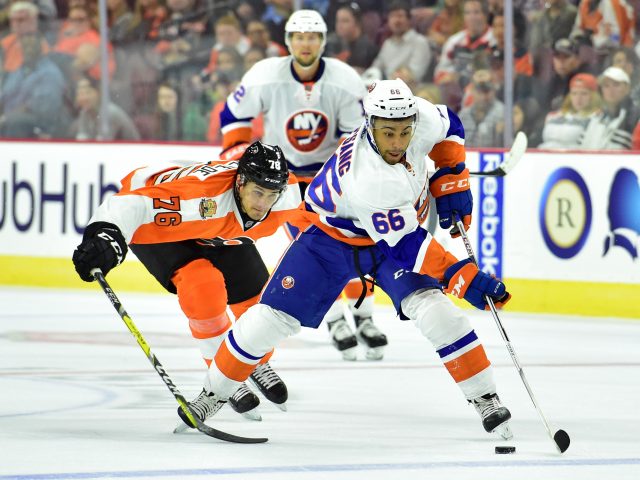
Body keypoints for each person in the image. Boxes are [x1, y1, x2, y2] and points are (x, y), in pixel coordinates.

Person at [178, 79, 514, 442]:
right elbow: (409, 247)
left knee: (436, 311)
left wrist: (451, 174)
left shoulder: (421, 116)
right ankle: (212, 394)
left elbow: (450, 124)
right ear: (369, 125)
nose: (398, 143)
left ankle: (485, 397)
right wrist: (465, 278)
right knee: (265, 321)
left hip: (387, 239)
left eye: (405, 132)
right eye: (388, 133)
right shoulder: (369, 177)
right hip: (331, 240)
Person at [72, 141, 302, 420]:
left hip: (215, 227)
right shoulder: (199, 200)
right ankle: (223, 374)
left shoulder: (285, 194)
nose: (263, 204)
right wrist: (107, 237)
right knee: (203, 287)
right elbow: (132, 206)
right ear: (240, 183)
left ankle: (255, 361)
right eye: (258, 193)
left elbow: (336, 198)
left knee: (255, 294)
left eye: (271, 195)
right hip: (166, 224)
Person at [220, 9, 389, 362]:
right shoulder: (265, 74)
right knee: (311, 247)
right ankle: (334, 320)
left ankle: (364, 315)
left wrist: (344, 176)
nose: (305, 43)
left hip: (333, 176)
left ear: (323, 41)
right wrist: (238, 153)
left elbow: (356, 136)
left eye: (312, 36)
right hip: (286, 179)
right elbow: (233, 115)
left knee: (357, 241)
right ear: (288, 41)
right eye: (298, 36)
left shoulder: (344, 80)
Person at [539, 73, 601, 149]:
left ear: (593, 96)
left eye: (584, 94)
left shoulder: (597, 118)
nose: (578, 98)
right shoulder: (554, 116)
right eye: (574, 93)